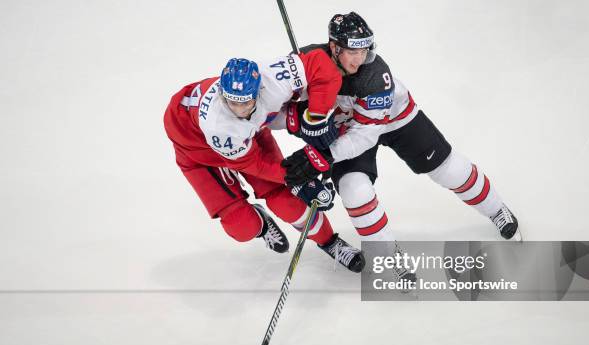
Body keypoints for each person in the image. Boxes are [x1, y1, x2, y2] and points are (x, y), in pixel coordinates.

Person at [282, 12, 522, 251]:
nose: (359, 59)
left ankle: (495, 208)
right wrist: (296, 114)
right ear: (334, 48)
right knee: (354, 189)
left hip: (393, 118)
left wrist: (324, 155)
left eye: (364, 51)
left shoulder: (375, 76)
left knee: (448, 169)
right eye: (353, 52)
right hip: (348, 126)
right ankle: (390, 255)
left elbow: (366, 135)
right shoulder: (306, 62)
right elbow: (275, 103)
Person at [164, 53, 365, 272]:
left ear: (258, 91)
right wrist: (301, 177)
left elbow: (320, 64)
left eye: (246, 102)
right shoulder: (219, 125)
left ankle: (330, 242)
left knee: (288, 203)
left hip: (246, 139)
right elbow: (255, 164)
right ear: (222, 94)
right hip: (196, 152)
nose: (240, 111)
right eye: (233, 102)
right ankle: (260, 223)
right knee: (242, 227)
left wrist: (316, 117)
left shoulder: (272, 79)